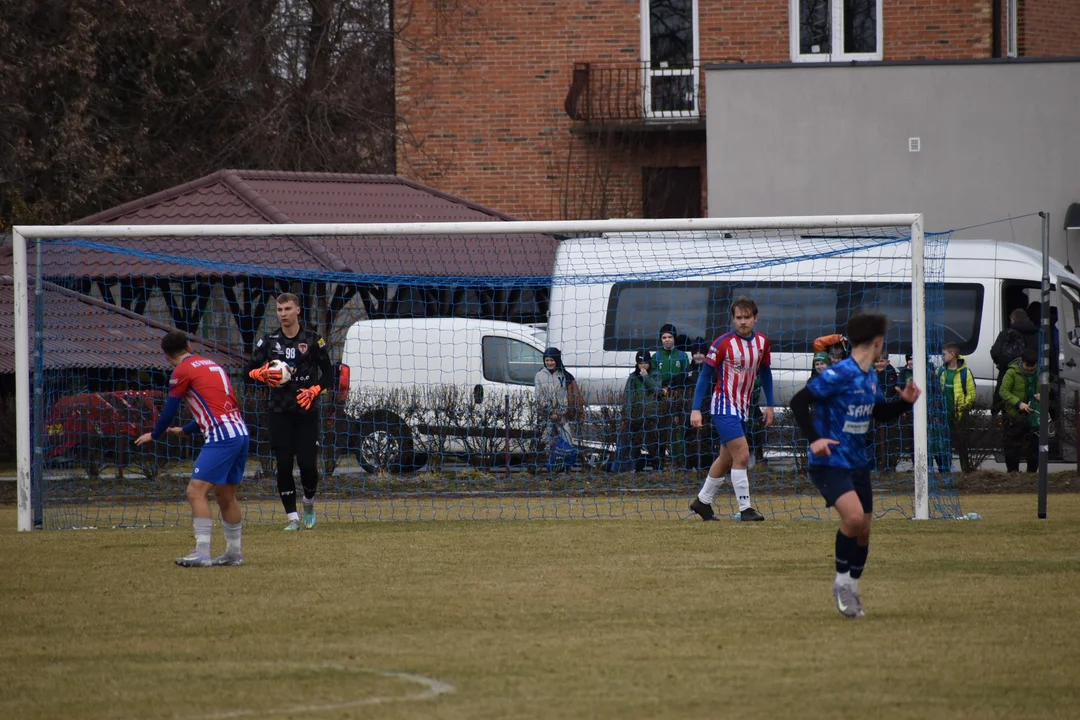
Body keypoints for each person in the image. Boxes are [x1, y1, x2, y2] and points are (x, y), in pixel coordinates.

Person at [789, 313, 921, 618]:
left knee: (864, 531)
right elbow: (798, 402)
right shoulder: (840, 373)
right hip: (829, 461)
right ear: (877, 342)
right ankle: (841, 585)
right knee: (853, 518)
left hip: (858, 462)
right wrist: (814, 439)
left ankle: (852, 587)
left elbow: (879, 413)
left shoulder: (868, 376)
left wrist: (904, 403)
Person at [135, 331, 250, 567]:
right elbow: (218, 406)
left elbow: (169, 408)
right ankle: (233, 553)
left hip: (221, 436)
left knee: (195, 492)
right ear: (189, 345)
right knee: (225, 494)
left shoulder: (182, 370)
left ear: (166, 356)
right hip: (240, 432)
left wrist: (155, 434)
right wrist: (186, 430)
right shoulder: (211, 364)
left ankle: (202, 553)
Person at [246, 293, 333, 531]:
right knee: (283, 465)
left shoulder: (313, 340)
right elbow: (247, 372)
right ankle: (292, 517)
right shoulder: (269, 341)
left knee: (307, 465)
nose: (283, 313)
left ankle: (308, 504)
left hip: (306, 411)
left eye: (287, 309)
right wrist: (261, 374)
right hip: (279, 412)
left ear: (298, 310)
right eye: (279, 309)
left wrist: (315, 389)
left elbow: (329, 374)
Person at [688, 297, 775, 522]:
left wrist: (770, 405)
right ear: (733, 319)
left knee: (727, 458)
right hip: (723, 406)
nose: (743, 322)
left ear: (756, 318)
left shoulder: (763, 342)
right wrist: (695, 409)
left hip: (743, 407)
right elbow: (704, 376)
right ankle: (745, 509)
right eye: (739, 318)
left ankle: (702, 502)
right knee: (743, 454)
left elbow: (765, 373)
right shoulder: (722, 343)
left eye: (747, 317)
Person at [534, 347, 585, 466]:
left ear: (557, 360)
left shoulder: (564, 375)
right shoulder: (539, 375)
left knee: (567, 440)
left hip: (562, 416)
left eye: (552, 360)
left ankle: (565, 465)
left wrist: (562, 413)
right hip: (547, 416)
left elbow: (569, 396)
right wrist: (548, 412)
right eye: (547, 360)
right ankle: (549, 465)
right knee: (547, 441)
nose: (549, 363)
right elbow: (539, 396)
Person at [935, 342, 976, 472]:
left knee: (961, 444)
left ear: (952, 355)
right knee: (942, 444)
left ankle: (965, 469)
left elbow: (971, 393)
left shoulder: (965, 373)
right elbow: (935, 393)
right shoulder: (940, 371)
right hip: (942, 415)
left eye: (944, 354)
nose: (942, 356)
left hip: (958, 415)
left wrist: (962, 408)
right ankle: (944, 470)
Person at [989, 308, 1038, 416]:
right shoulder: (1036, 334)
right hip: (1031, 375)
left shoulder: (1006, 334)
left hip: (1006, 373)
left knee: (1003, 406)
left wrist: (1002, 365)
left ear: (1013, 319)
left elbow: (995, 352)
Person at [653, 324, 689, 466]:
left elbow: (686, 374)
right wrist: (662, 386)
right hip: (662, 396)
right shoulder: (657, 356)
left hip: (677, 395)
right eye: (664, 337)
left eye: (669, 337)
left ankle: (679, 462)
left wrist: (676, 384)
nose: (667, 340)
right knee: (661, 429)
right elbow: (654, 375)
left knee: (677, 430)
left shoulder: (681, 355)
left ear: (674, 338)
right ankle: (659, 462)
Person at [620, 349, 662, 470]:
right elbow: (627, 396)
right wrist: (627, 415)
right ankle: (636, 467)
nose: (643, 365)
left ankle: (657, 466)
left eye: (645, 362)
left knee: (651, 442)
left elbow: (657, 390)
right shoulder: (633, 377)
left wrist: (646, 377)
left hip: (651, 415)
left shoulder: (655, 374)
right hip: (636, 415)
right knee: (635, 443)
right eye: (640, 363)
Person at [999, 350, 1040, 473]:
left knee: (1034, 446)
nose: (1030, 369)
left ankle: (1032, 473)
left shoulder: (1039, 372)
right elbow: (1004, 391)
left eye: (1033, 366)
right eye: (1028, 366)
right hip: (1015, 415)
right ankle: (1013, 472)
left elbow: (1047, 388)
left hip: (1033, 415)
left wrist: (1042, 394)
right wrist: (1018, 403)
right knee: (1012, 447)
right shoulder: (1012, 372)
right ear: (1022, 362)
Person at [681, 338, 717, 469]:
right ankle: (690, 466)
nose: (698, 356)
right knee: (690, 438)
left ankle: (708, 466)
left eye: (701, 352)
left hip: (708, 410)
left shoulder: (713, 372)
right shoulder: (687, 371)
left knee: (707, 438)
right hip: (690, 411)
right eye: (695, 353)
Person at [873, 354, 901, 472]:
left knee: (888, 438)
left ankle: (889, 465)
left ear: (888, 361)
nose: (879, 364)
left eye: (882, 361)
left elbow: (889, 392)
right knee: (876, 438)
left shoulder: (890, 374)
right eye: (877, 361)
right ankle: (879, 463)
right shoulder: (873, 373)